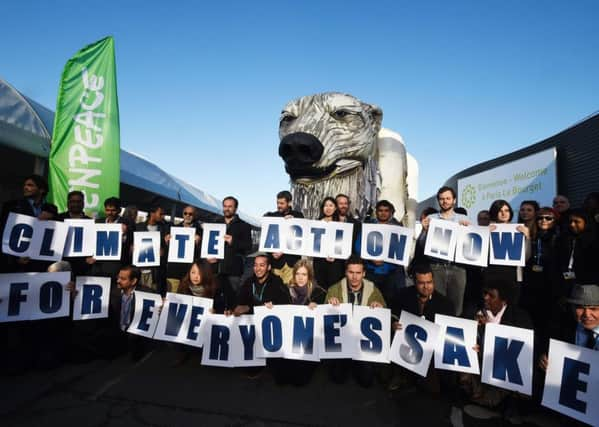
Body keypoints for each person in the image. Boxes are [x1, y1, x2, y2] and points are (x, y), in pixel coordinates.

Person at [460, 277, 533, 419]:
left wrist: (490, 330)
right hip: (479, 366)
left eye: (491, 295)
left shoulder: (520, 318)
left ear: (504, 300)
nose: (485, 298)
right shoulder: (473, 310)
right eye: (484, 293)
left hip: (504, 370)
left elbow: (524, 353)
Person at [390, 263, 454, 392]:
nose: (426, 287)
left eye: (429, 282)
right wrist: (393, 323)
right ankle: (399, 376)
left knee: (433, 390)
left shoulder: (446, 304)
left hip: (431, 351)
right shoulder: (403, 295)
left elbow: (450, 332)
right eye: (421, 283)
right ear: (414, 282)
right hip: (405, 345)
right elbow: (392, 313)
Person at [326, 256, 385, 387]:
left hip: (363, 343)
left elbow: (385, 316)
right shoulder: (334, 290)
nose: (354, 277)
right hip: (343, 342)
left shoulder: (373, 290)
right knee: (338, 378)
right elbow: (324, 321)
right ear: (346, 272)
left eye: (358, 273)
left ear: (364, 273)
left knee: (367, 381)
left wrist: (380, 309)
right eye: (351, 272)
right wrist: (329, 305)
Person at [269, 259, 326, 386]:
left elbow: (323, 322)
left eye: (304, 274)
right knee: (281, 379)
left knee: (300, 381)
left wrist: (317, 308)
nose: (300, 278)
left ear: (309, 276)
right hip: (288, 340)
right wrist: (270, 306)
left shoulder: (318, 293)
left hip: (307, 344)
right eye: (298, 274)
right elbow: (278, 309)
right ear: (294, 275)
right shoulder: (284, 290)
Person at [421, 186, 469, 316]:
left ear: (454, 200)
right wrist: (424, 231)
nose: (445, 201)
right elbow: (421, 245)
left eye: (448, 198)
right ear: (438, 201)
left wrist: (468, 231)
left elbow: (471, 248)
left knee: (457, 306)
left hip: (457, 267)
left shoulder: (463, 219)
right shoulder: (431, 218)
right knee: (436, 304)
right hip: (436, 267)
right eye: (442, 199)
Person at [521, 207, 561, 342]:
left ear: (555, 221)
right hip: (531, 287)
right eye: (540, 218)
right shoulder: (532, 237)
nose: (544, 220)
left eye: (548, 218)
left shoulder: (560, 238)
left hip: (551, 289)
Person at [357, 199, 406, 306]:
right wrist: (371, 258)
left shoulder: (398, 229)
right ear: (376, 212)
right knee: (369, 301)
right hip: (371, 271)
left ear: (390, 212)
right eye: (380, 210)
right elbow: (358, 247)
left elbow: (401, 250)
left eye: (386, 210)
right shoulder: (368, 227)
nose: (383, 213)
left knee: (389, 303)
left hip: (390, 273)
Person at [0, 174, 48, 273]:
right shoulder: (11, 206)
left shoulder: (50, 209)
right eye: (25, 185)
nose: (25, 187)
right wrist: (15, 258)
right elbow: (4, 234)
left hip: (40, 263)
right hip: (16, 262)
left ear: (41, 190)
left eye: (30, 185)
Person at [109, 265, 155, 360]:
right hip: (117, 332)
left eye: (123, 279)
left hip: (136, 335)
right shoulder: (113, 292)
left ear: (133, 281)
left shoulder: (148, 294)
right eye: (118, 278)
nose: (118, 281)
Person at [211, 196, 252, 295]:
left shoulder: (244, 226)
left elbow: (248, 246)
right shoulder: (215, 223)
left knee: (231, 298)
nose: (227, 209)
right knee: (213, 298)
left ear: (235, 208)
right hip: (215, 268)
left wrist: (233, 241)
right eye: (225, 206)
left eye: (230, 206)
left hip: (233, 271)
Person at [263, 190, 304, 284]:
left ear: (289, 203)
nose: (279, 205)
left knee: (290, 292)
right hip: (275, 264)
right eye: (277, 203)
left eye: (282, 203)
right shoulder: (272, 216)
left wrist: (294, 221)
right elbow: (266, 240)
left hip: (291, 263)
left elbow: (301, 239)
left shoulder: (298, 216)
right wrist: (271, 252)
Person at [557, 208, 599, 297]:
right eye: (570, 221)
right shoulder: (564, 239)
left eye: (577, 221)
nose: (572, 224)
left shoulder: (594, 240)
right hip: (567, 285)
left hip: (590, 287)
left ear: (586, 222)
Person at [165, 205, 202, 293]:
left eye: (191, 214)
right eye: (186, 213)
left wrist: (199, 243)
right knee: (172, 295)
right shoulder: (174, 229)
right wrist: (167, 242)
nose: (188, 215)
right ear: (183, 214)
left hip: (189, 271)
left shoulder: (201, 231)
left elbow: (203, 254)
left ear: (195, 215)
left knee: (186, 296)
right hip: (174, 269)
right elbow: (167, 251)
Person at [136, 205, 169, 295]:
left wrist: (164, 250)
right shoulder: (138, 227)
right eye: (160, 214)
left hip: (157, 271)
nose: (163, 216)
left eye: (164, 214)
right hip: (142, 269)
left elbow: (169, 249)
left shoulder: (165, 228)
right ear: (152, 213)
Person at [312, 197, 345, 289]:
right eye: (326, 205)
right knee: (321, 287)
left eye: (331, 205)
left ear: (335, 208)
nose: (328, 208)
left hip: (335, 263)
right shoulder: (316, 223)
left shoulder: (341, 224)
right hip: (319, 262)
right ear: (322, 208)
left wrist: (335, 255)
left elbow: (343, 244)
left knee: (334, 288)